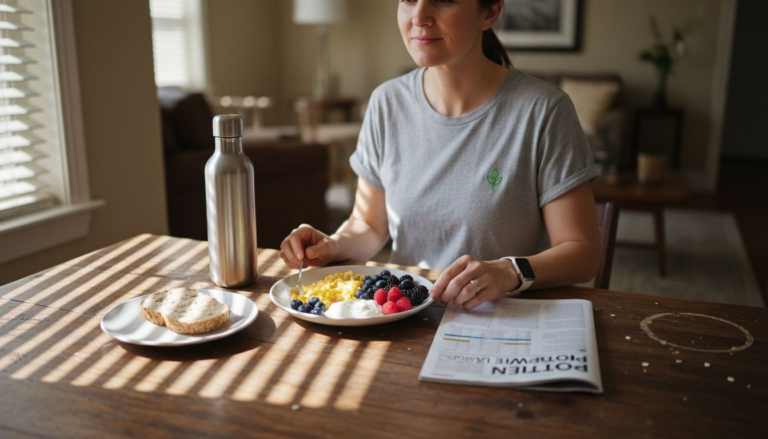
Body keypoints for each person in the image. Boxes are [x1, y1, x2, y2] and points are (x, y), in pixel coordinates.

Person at [280, 0, 601, 310]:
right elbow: (369, 223)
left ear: (489, 12)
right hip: (406, 318)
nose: (419, 16)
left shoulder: (544, 111)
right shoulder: (386, 103)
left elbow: (582, 254)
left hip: (505, 320)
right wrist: (333, 244)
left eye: (443, 0)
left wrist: (507, 272)